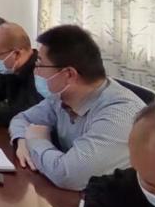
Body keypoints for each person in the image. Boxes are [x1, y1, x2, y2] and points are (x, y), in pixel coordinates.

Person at [9, 24, 145, 190]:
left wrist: (36, 140)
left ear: (69, 74)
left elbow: (68, 176)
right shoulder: (62, 96)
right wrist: (21, 140)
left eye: (40, 65)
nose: (35, 72)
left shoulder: (119, 113)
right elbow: (22, 119)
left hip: (116, 201)